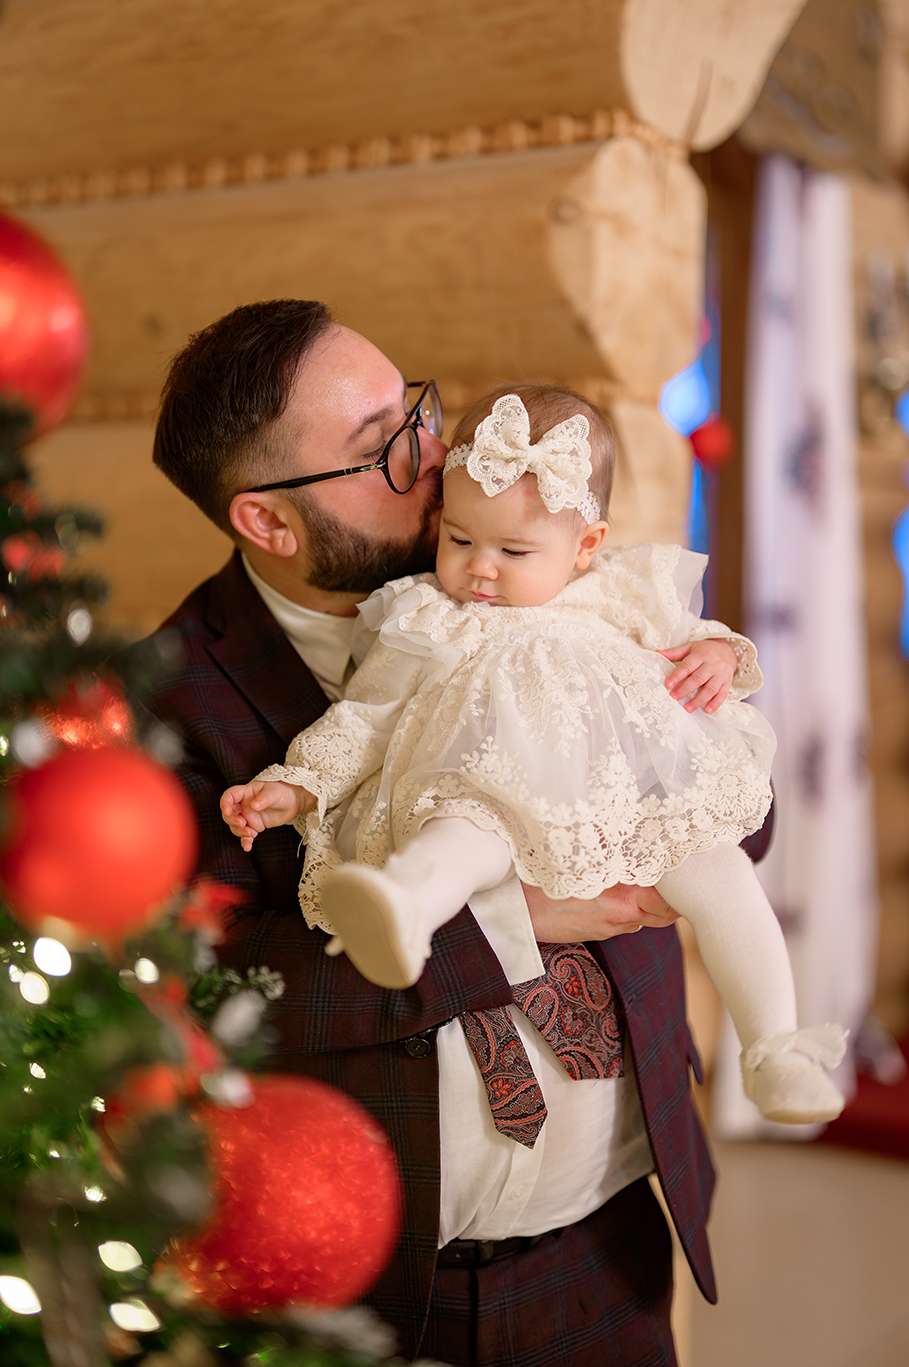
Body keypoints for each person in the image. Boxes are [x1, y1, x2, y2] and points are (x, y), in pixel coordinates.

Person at [145, 299, 769, 1366]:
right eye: (383, 445)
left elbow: (734, 809)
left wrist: (706, 710)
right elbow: (204, 987)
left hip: (609, 1236)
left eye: (418, 411)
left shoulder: (556, 570)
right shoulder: (168, 701)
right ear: (269, 522)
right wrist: (505, 918)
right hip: (379, 1286)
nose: (438, 456)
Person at [220, 385, 845, 1126]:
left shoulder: (617, 591)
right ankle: (405, 906)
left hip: (629, 802)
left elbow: (693, 639)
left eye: (513, 551)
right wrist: (298, 784)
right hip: (491, 791)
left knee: (721, 873)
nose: (479, 569)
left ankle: (775, 1047)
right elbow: (367, 717)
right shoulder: (428, 613)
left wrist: (719, 654)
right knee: (461, 832)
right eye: (459, 540)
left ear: (585, 546)